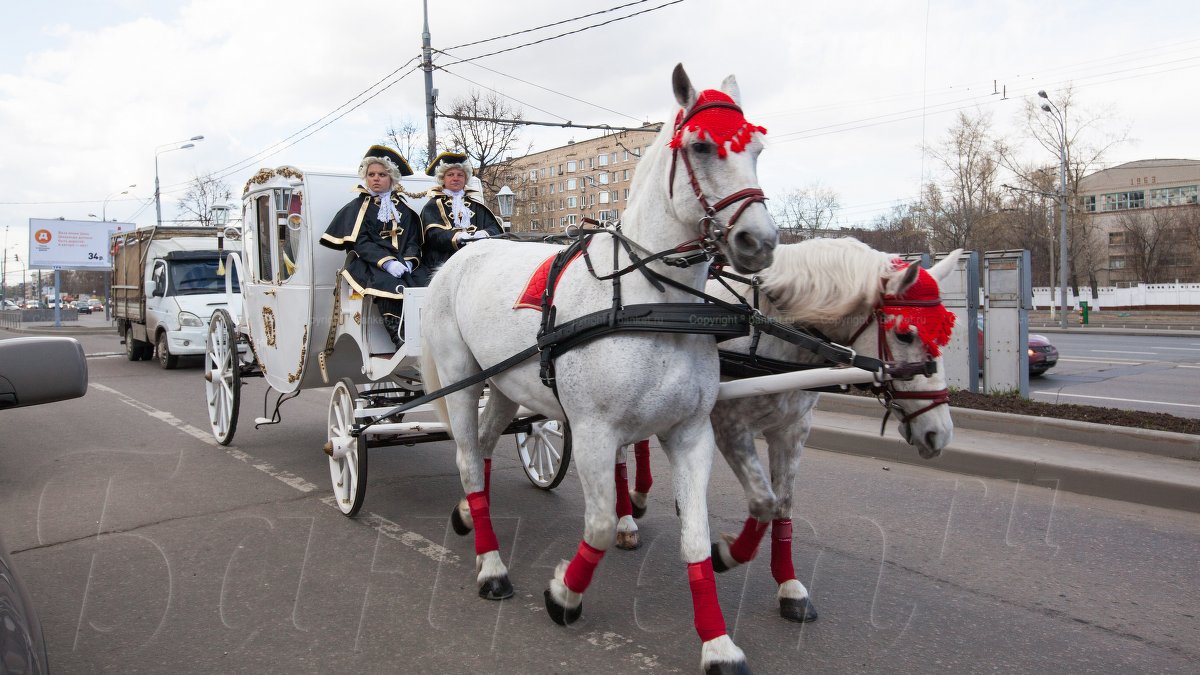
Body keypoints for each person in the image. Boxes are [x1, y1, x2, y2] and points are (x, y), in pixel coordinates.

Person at [320, 145, 426, 349]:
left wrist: (411, 262)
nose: (376, 178)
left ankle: (428, 334)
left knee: (428, 282)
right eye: (371, 174)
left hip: (404, 264)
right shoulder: (358, 207)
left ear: (392, 178)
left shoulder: (404, 209)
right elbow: (361, 242)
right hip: (370, 265)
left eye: (382, 174)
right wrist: (387, 263)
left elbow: (413, 240)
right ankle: (400, 338)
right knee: (391, 286)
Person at [420, 152, 505, 274]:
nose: (455, 178)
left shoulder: (477, 205)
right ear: (442, 178)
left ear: (466, 178)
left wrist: (485, 233)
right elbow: (432, 235)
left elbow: (495, 229)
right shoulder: (433, 205)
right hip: (443, 262)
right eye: (450, 174)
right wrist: (457, 237)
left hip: (477, 259)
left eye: (460, 175)